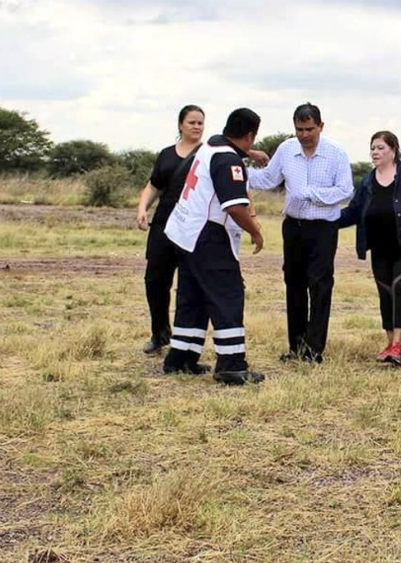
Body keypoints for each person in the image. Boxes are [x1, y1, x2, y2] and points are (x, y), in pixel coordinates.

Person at [161, 108, 265, 385]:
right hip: (207, 235)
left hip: (184, 232)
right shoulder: (227, 160)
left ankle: (181, 357)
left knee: (192, 297)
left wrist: (249, 155)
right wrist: (256, 231)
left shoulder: (211, 145)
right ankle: (231, 364)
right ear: (251, 135)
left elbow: (230, 149)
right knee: (228, 295)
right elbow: (235, 207)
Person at [248, 103, 354, 364]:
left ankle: (314, 349)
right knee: (294, 284)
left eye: (309, 129)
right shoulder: (286, 149)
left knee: (319, 284)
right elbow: (268, 179)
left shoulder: (336, 153)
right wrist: (236, 171)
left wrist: (309, 194)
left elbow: (345, 191)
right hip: (293, 226)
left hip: (323, 228)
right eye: (299, 129)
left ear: (320, 126)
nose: (304, 135)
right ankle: (296, 346)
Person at [337, 131, 401, 365]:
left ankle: (399, 344)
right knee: (386, 292)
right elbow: (354, 210)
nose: (375, 152)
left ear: (393, 150)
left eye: (380, 148)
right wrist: (325, 220)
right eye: (373, 148)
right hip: (379, 247)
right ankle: (390, 343)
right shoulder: (368, 181)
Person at [135, 105, 204, 354]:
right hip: (164, 223)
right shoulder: (165, 154)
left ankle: (185, 341)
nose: (196, 127)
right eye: (192, 122)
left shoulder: (207, 154)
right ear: (180, 125)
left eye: (200, 123)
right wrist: (143, 208)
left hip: (193, 225)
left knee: (190, 284)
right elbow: (153, 185)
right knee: (155, 280)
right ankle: (159, 334)